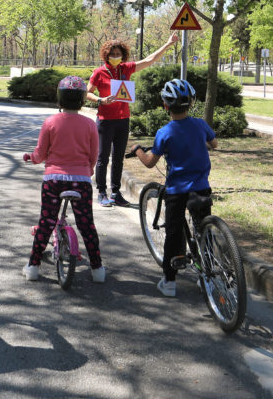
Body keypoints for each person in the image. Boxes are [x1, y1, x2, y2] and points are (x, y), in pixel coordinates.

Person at [129, 79, 217, 297]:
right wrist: (200, 142)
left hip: (177, 190)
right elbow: (214, 144)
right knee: (202, 230)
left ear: (165, 106)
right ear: (191, 103)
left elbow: (150, 162)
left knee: (173, 233)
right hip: (202, 188)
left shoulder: (165, 132)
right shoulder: (200, 125)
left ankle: (169, 282)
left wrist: (137, 149)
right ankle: (208, 277)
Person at [22, 76, 105, 283]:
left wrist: (30, 158)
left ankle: (33, 267)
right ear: (82, 100)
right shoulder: (89, 124)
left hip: (54, 180)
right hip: (81, 180)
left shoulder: (50, 122)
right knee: (87, 225)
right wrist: (90, 169)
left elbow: (40, 153)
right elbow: (94, 154)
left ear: (59, 100)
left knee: (46, 222)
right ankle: (98, 270)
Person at [86, 33, 179, 208]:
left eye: (118, 54)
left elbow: (150, 60)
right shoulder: (99, 72)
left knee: (119, 158)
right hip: (105, 120)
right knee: (102, 158)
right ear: (106, 55)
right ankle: (102, 192)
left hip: (123, 119)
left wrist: (167, 44)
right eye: (112, 54)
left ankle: (115, 192)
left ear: (123, 54)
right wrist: (100, 100)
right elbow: (87, 92)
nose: (115, 57)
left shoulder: (126, 68)